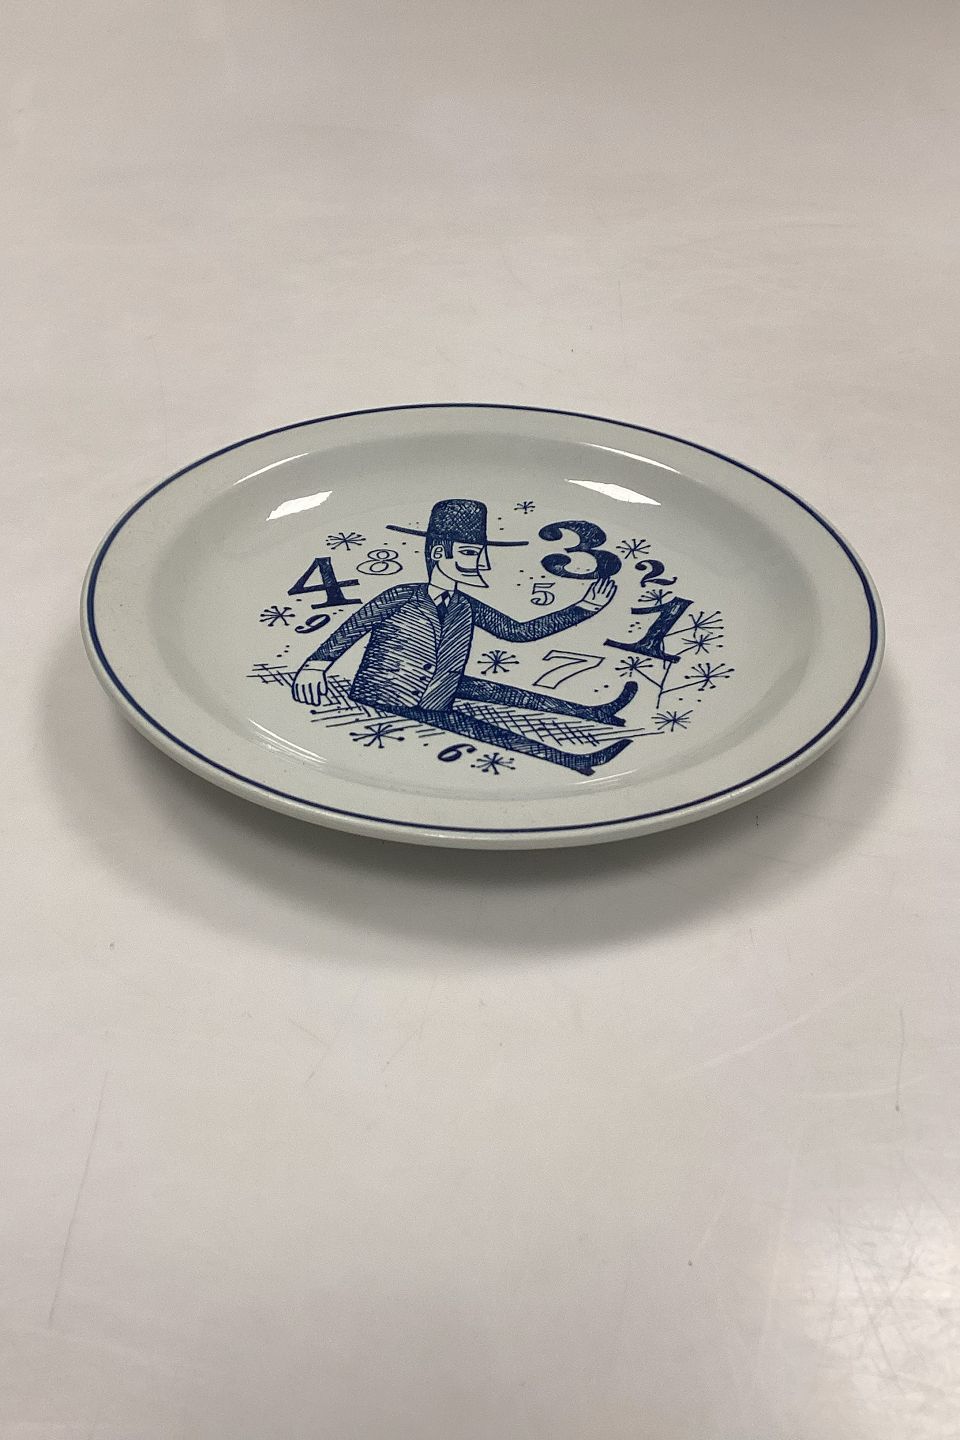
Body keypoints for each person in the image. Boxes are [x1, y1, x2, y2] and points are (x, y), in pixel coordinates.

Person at [291, 499, 635, 773]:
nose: (481, 564)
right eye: (471, 553)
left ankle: (596, 713)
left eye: (481, 554)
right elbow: (354, 626)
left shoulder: (465, 604)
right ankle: (573, 759)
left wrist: (583, 609)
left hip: (439, 686)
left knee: (503, 692)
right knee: (476, 726)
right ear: (439, 553)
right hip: (390, 694)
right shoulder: (402, 594)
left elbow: (517, 632)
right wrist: (315, 665)